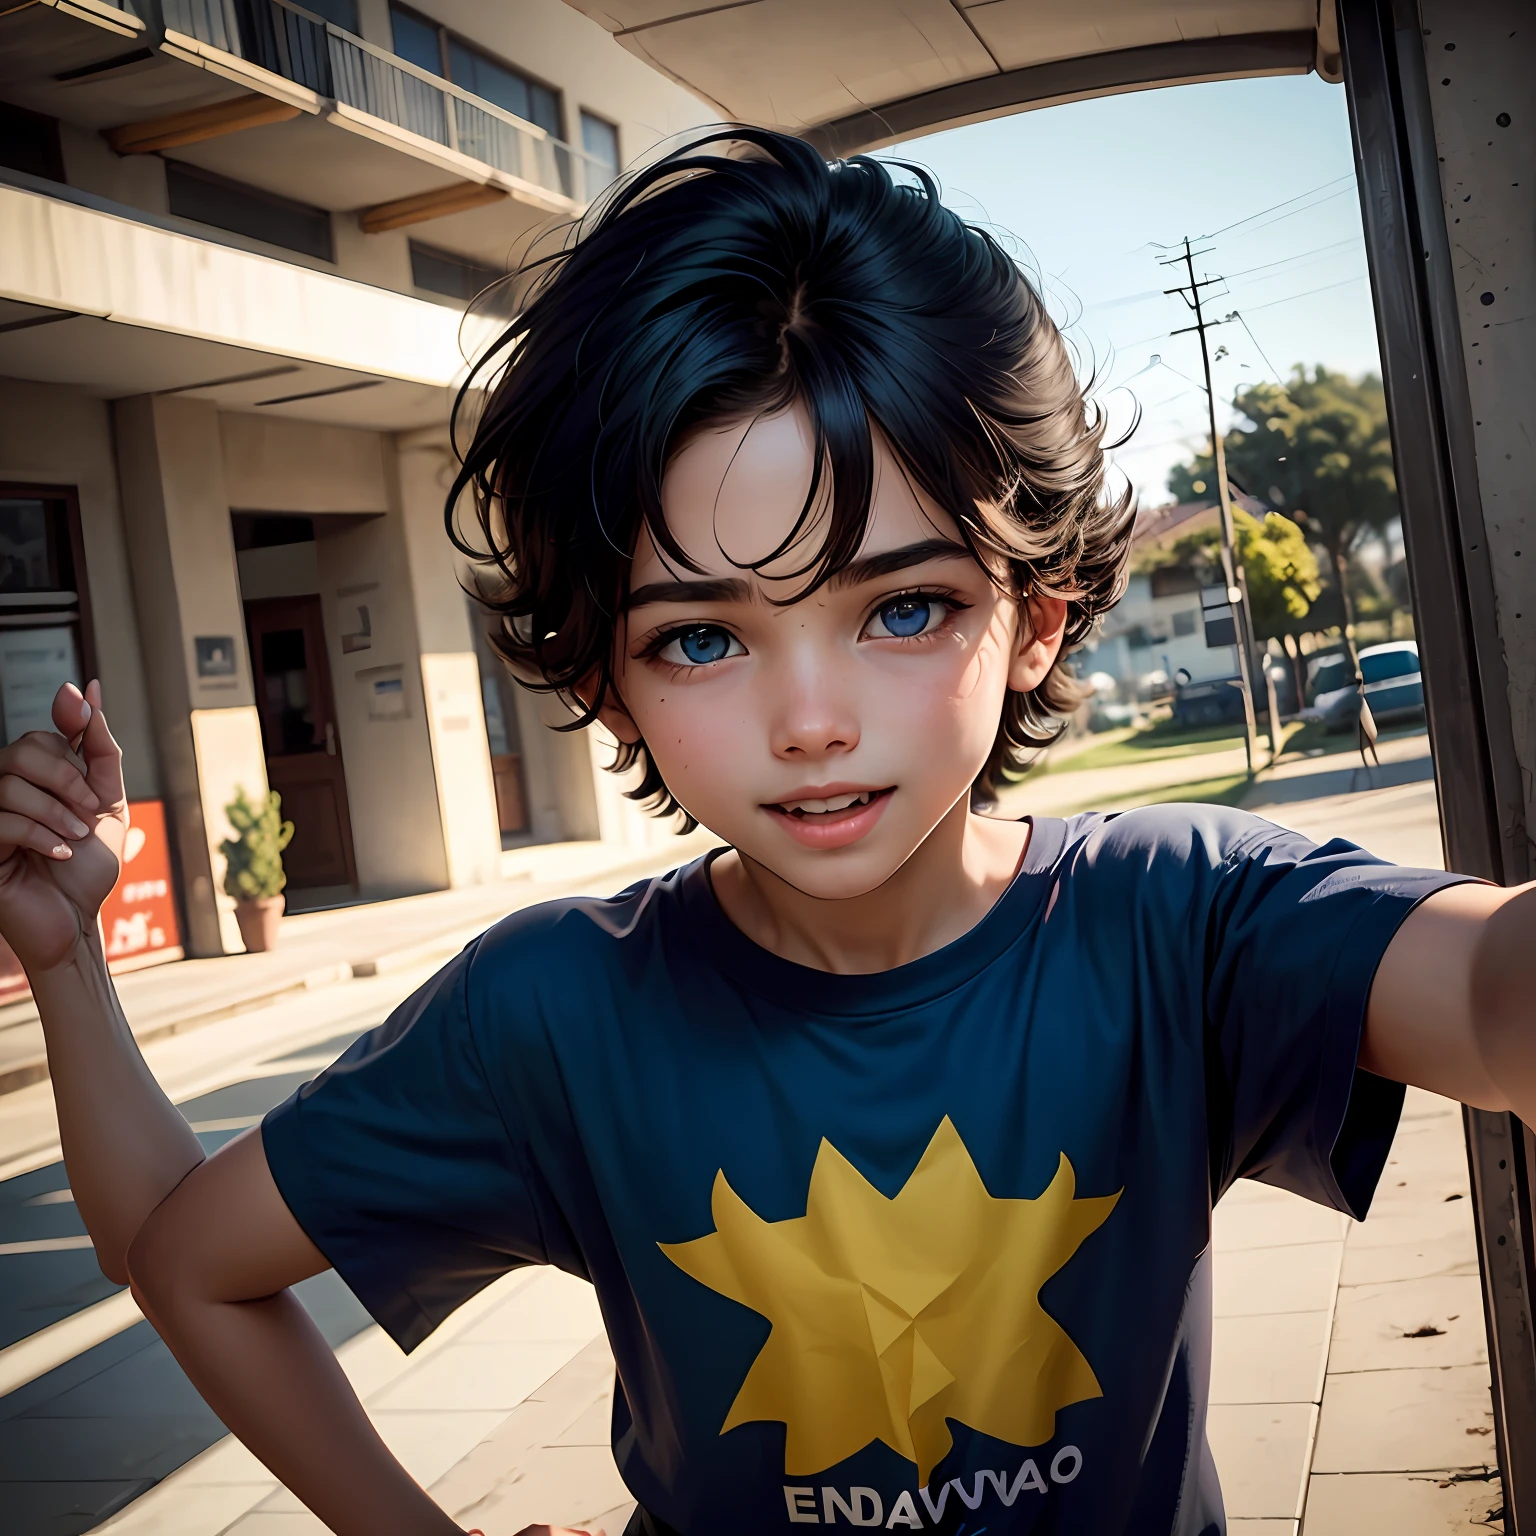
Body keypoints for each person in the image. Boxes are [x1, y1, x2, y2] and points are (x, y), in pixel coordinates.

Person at [0, 128, 1529, 1536]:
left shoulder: (1184, 926)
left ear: (1040, 617)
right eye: (704, 639)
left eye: (904, 608)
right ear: (608, 681)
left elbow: (1484, 988)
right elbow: (190, 1262)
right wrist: (66, 958)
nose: (812, 718)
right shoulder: (556, 1016)